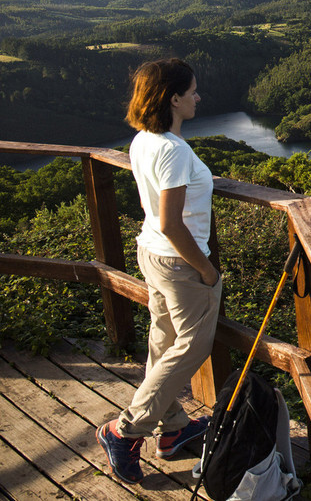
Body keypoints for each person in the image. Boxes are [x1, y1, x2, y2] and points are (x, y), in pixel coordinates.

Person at [96, 58, 222, 484]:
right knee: (191, 348)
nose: (198, 97)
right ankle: (125, 430)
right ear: (173, 98)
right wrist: (205, 269)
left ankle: (172, 430)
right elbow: (172, 221)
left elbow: (158, 215)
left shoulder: (143, 141)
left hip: (150, 254)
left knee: (164, 341)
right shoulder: (173, 150)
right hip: (179, 263)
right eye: (192, 91)